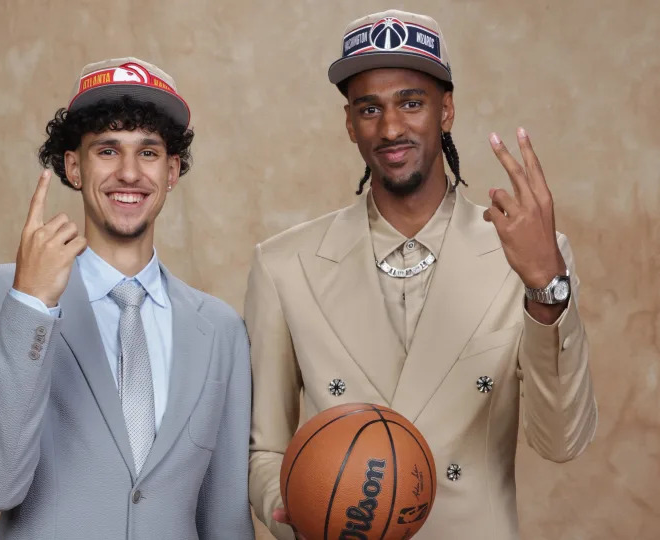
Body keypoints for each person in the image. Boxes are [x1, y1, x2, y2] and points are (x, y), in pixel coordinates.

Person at [245, 11, 597, 540]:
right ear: (349, 123)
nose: (391, 128)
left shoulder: (529, 256)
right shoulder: (283, 265)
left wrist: (546, 289)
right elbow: (265, 450)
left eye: (411, 103)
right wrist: (304, 509)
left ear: (446, 110)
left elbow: (561, 442)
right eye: (370, 108)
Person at [0, 57, 254, 540]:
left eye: (149, 152)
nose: (130, 173)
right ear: (74, 166)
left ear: (173, 170)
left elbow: (225, 516)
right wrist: (33, 306)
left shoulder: (220, 329)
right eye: (108, 150)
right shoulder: (2, 295)